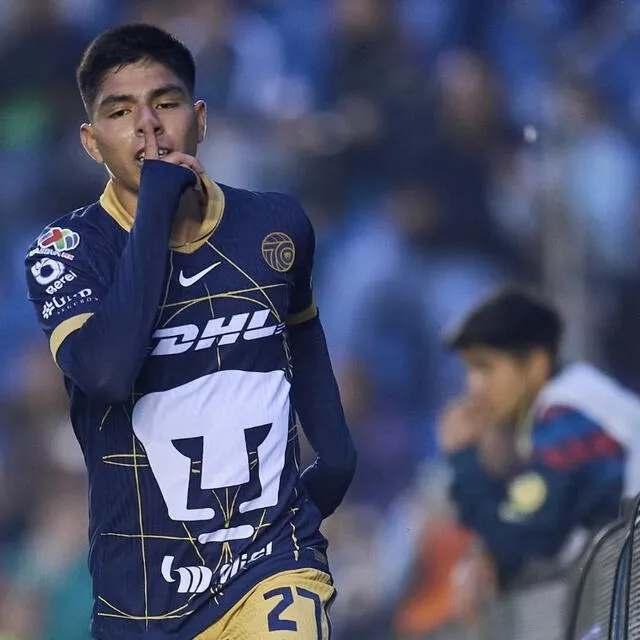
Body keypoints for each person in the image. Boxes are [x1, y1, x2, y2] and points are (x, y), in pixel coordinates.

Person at [24, 23, 356, 639]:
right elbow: (106, 372)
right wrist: (155, 207)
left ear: (199, 118)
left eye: (166, 103)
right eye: (120, 112)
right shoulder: (67, 252)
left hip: (270, 570)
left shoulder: (274, 223)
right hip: (142, 600)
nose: (148, 125)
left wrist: (334, 464)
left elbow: (306, 348)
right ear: (92, 143)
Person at [438, 286, 640, 589]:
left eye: (485, 367)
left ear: (535, 365)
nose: (473, 387)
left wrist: (465, 458)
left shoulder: (568, 415)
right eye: (469, 370)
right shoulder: (568, 406)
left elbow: (526, 542)